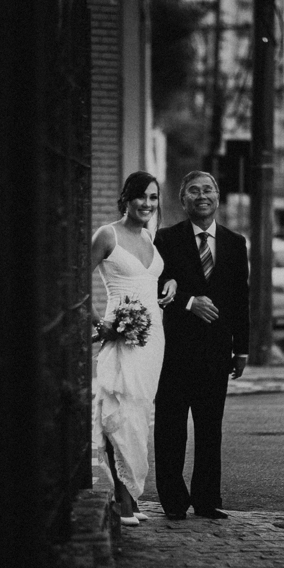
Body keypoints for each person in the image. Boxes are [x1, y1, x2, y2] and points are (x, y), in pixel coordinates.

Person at [153, 170, 250, 520]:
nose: (201, 195)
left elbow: (241, 299)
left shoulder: (235, 243)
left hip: (216, 352)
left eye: (208, 189)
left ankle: (208, 499)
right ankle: (174, 501)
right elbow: (156, 285)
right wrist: (189, 302)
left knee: (210, 429)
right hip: (174, 351)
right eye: (193, 191)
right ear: (183, 200)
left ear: (218, 196)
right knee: (170, 427)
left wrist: (242, 349)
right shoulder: (164, 240)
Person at [91, 172, 177, 526]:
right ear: (126, 198)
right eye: (141, 196)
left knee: (140, 414)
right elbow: (76, 275)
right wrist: (99, 323)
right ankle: (122, 502)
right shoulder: (107, 234)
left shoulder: (148, 236)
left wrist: (169, 281)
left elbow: (152, 277)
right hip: (122, 334)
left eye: (154, 198)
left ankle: (130, 494)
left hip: (152, 338)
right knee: (119, 412)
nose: (148, 204)